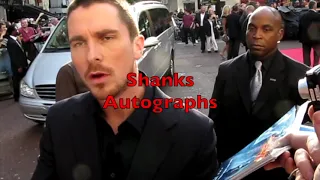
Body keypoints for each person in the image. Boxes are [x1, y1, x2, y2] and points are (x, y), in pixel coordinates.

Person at [31, 0, 218, 179]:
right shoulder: (59, 122)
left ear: (138, 46)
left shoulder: (194, 133)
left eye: (106, 38)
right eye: (79, 43)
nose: (91, 56)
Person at [208, 6, 309, 179]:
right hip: (232, 170)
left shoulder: (299, 76)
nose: (257, 35)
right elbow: (215, 122)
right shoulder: (227, 71)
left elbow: (303, 132)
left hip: (276, 172)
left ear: (280, 34)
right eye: (252, 28)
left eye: (266, 29)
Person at [5, 25, 28, 102]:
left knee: (21, 79)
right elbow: (14, 55)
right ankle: (17, 96)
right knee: (17, 80)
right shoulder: (11, 42)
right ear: (12, 31)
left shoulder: (16, 40)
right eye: (16, 29)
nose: (18, 30)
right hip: (17, 65)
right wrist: (19, 66)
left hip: (22, 63)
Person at [298, 0, 320, 67]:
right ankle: (315, 68)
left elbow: (300, 27)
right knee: (317, 54)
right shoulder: (318, 16)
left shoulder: (302, 16)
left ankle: (306, 68)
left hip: (305, 38)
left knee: (306, 55)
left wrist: (301, 37)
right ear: (314, 6)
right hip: (316, 39)